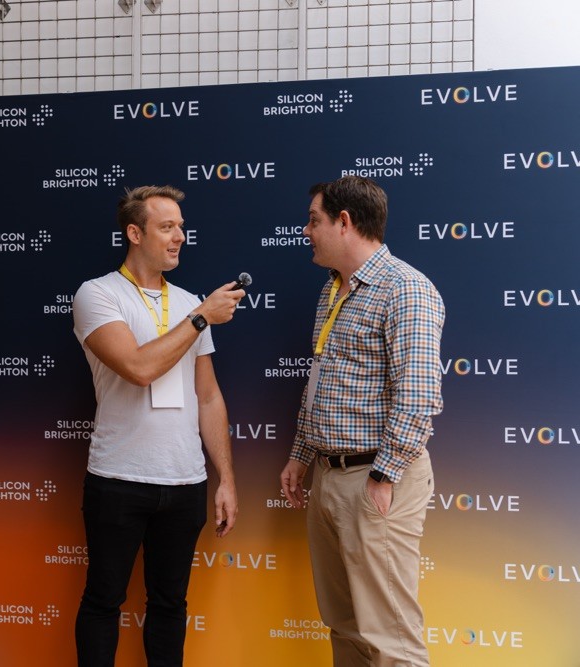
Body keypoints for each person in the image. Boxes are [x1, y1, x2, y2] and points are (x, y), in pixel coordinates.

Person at [72, 185, 243, 666]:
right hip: (119, 479)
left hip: (185, 480)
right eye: (167, 227)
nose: (179, 237)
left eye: (182, 228)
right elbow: (138, 367)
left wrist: (225, 479)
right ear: (134, 232)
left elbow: (207, 396)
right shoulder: (98, 293)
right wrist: (201, 318)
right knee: (103, 601)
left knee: (170, 605)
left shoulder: (189, 301)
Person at [280, 176, 444, 667]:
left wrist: (383, 474)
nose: (306, 230)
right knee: (346, 625)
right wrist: (301, 455)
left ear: (344, 222)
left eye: (314, 220)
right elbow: (321, 382)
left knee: (390, 637)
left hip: (376, 480)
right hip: (332, 477)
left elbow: (418, 396)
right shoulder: (332, 291)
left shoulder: (406, 289)